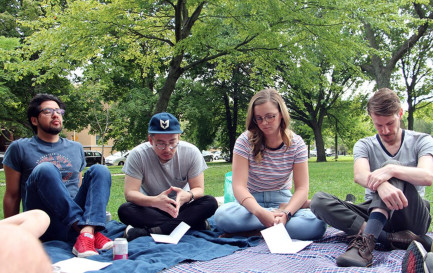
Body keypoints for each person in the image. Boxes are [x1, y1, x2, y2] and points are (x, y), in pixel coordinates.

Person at [310, 88, 433, 267]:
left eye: (390, 123)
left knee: (392, 166)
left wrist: (391, 170)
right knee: (318, 201)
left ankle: (365, 245)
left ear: (400, 113)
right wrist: (381, 185)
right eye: (379, 125)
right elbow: (360, 176)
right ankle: (389, 238)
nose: (385, 130)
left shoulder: (422, 140)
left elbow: (427, 176)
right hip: (373, 210)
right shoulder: (365, 144)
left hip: (409, 212)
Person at [3, 93, 113, 258]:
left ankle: (86, 232)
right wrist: (11, 236)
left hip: (70, 220)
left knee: (101, 170)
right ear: (34, 120)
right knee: (46, 169)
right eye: (48, 111)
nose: (56, 115)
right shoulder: (19, 148)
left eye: (58, 111)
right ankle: (87, 231)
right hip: (43, 220)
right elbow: (12, 195)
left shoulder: (76, 148)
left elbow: (78, 187)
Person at [214, 88, 326, 240]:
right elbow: (239, 187)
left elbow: (302, 188)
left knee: (316, 224)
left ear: (281, 114)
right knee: (222, 216)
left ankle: (255, 231)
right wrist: (260, 213)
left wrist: (286, 214)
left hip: (283, 202)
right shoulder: (244, 141)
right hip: (251, 203)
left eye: (270, 116)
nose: (264, 123)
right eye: (259, 118)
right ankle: (273, 227)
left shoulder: (297, 143)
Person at [118, 112, 218, 241]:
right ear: (150, 140)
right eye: (160, 144)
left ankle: (154, 231)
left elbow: (198, 189)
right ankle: (193, 223)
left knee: (210, 202)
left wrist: (187, 196)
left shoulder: (191, 152)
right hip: (152, 207)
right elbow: (130, 193)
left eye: (172, 142)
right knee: (125, 210)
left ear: (179, 138)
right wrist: (155, 201)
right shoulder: (138, 155)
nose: (167, 149)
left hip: (182, 207)